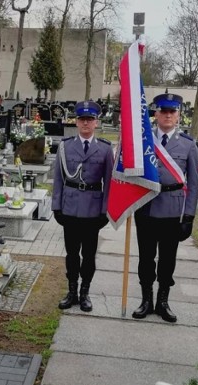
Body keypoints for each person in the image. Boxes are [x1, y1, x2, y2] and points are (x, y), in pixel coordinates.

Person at [132, 93, 198, 323]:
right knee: (146, 258)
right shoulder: (143, 141)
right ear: (156, 114)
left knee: (167, 260)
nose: (168, 115)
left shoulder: (188, 145)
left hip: (173, 211)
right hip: (147, 208)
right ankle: (146, 300)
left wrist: (189, 215)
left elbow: (193, 182)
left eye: (172, 111)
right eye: (163, 111)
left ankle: (163, 301)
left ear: (178, 114)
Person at [52, 101, 114, 312]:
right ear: (76, 122)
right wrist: (56, 206)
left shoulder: (105, 149)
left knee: (88, 255)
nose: (85, 123)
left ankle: (85, 292)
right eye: (82, 119)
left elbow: (109, 182)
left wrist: (105, 211)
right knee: (71, 254)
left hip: (92, 211)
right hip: (70, 208)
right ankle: (71, 291)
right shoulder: (65, 146)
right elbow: (58, 178)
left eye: (89, 120)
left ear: (96, 122)